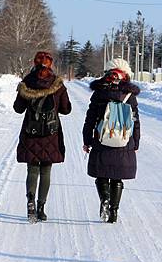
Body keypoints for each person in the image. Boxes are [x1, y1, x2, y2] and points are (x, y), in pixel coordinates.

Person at [13, 51, 72, 221]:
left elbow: (18, 108)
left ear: (34, 63)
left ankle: (30, 200)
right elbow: (66, 109)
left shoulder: (27, 83)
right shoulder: (57, 84)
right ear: (50, 64)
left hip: (30, 132)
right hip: (50, 133)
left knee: (32, 169)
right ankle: (41, 207)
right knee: (46, 170)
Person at [82, 57, 140, 223]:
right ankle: (113, 212)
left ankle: (104, 199)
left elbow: (90, 118)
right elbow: (135, 120)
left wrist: (87, 140)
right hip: (123, 139)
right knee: (117, 177)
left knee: (101, 175)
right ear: (125, 74)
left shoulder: (100, 91)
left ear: (108, 72)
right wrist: (135, 142)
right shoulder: (129, 94)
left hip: (102, 139)